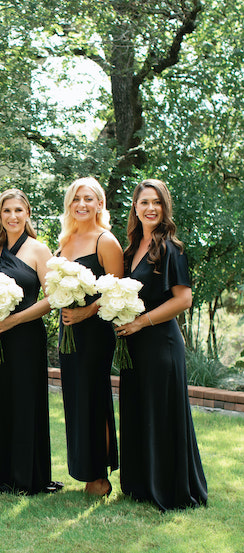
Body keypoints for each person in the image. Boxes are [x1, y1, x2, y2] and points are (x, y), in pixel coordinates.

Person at [115, 179, 208, 511]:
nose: (150, 208)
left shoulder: (171, 248)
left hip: (161, 343)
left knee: (161, 414)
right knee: (138, 410)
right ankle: (141, 484)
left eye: (156, 202)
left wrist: (141, 321)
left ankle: (170, 487)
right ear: (135, 208)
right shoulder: (131, 248)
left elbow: (184, 299)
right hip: (135, 347)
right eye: (144, 203)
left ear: (164, 207)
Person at [0, 189, 61, 495]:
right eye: (6, 211)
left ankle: (26, 475)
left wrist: (13, 320)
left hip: (25, 337)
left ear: (27, 214)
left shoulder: (39, 250)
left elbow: (53, 299)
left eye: (18, 210)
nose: (13, 216)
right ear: (0, 216)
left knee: (25, 402)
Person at [57, 177, 123, 497]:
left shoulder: (105, 241)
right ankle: (84, 471)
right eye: (76, 199)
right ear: (70, 204)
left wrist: (85, 312)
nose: (81, 204)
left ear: (100, 204)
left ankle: (101, 475)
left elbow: (117, 291)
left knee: (94, 398)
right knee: (76, 400)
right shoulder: (65, 241)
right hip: (67, 330)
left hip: (95, 332)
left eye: (88, 199)